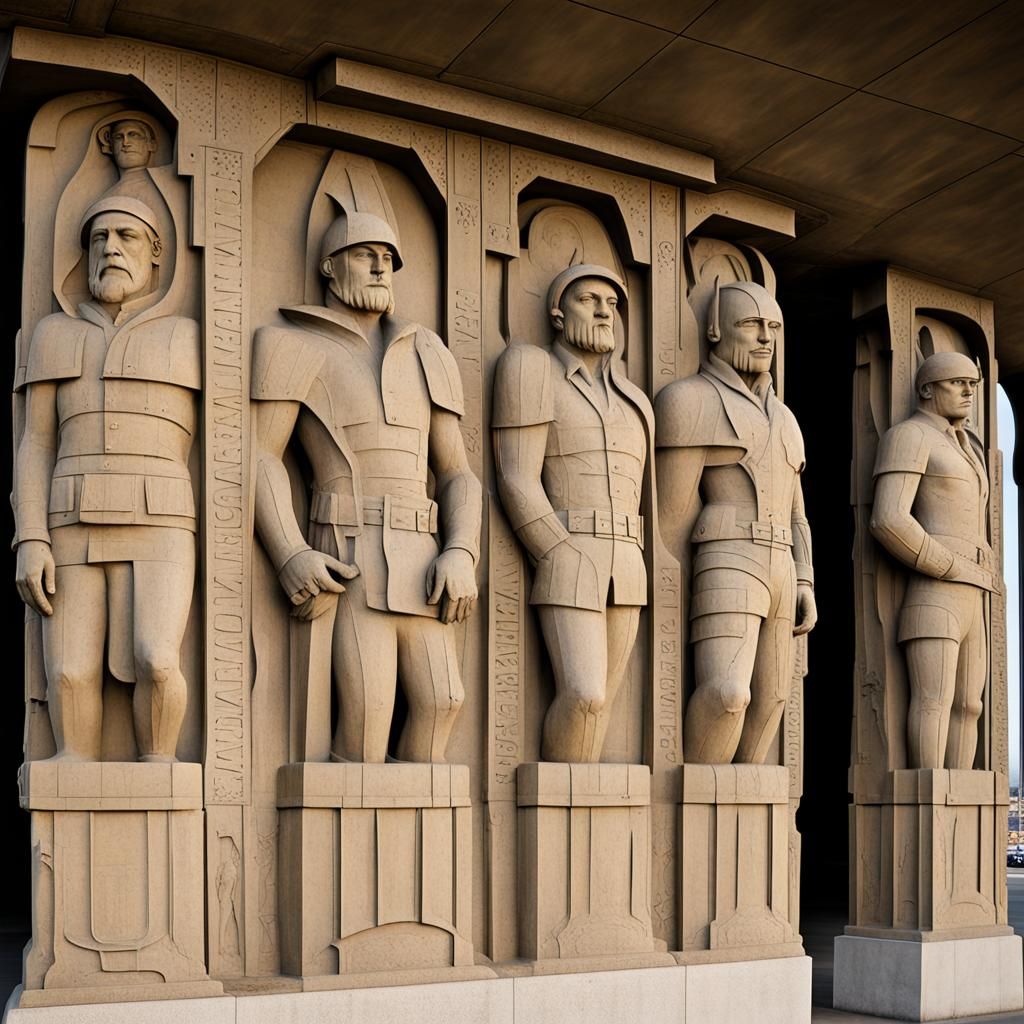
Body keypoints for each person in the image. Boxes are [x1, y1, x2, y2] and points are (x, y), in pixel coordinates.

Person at [251, 206, 481, 763]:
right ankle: (345, 844)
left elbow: (458, 473)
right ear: (330, 268)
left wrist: (462, 552)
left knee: (443, 701)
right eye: (364, 256)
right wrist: (288, 553)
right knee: (368, 710)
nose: (380, 269)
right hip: (347, 550)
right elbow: (259, 456)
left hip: (422, 555)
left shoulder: (427, 350)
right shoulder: (290, 344)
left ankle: (416, 846)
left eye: (388, 259)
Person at [14, 194, 201, 762]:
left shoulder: (191, 336)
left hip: (162, 519)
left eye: (127, 237)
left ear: (156, 255)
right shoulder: (52, 334)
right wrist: (30, 537)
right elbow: (36, 442)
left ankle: (160, 771)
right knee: (69, 671)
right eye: (99, 239)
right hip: (73, 516)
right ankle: (72, 777)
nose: (111, 248)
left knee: (157, 659)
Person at [492, 265, 652, 763]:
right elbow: (517, 475)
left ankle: (583, 812)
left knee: (603, 704)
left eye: (613, 302)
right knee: (584, 694)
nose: (606, 311)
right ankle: (553, 804)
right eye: (589, 299)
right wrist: (558, 551)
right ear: (559, 314)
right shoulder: (530, 366)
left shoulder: (636, 401)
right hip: (569, 546)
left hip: (627, 559)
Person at [655, 279, 816, 764]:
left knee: (772, 703)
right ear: (715, 331)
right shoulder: (690, 399)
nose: (766, 338)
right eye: (751, 325)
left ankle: (743, 815)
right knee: (728, 694)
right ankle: (700, 801)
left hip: (781, 568)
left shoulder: (786, 418)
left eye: (773, 327)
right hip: (726, 555)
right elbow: (671, 518)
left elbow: (797, 513)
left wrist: (804, 577)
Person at [870, 351, 1000, 769]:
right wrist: (951, 565)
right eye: (956, 383)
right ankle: (927, 795)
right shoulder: (910, 435)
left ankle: (959, 793)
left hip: (973, 590)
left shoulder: (968, 446)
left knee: (969, 705)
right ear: (927, 388)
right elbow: (888, 519)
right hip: (935, 589)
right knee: (934, 700)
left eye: (973, 385)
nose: (967, 392)